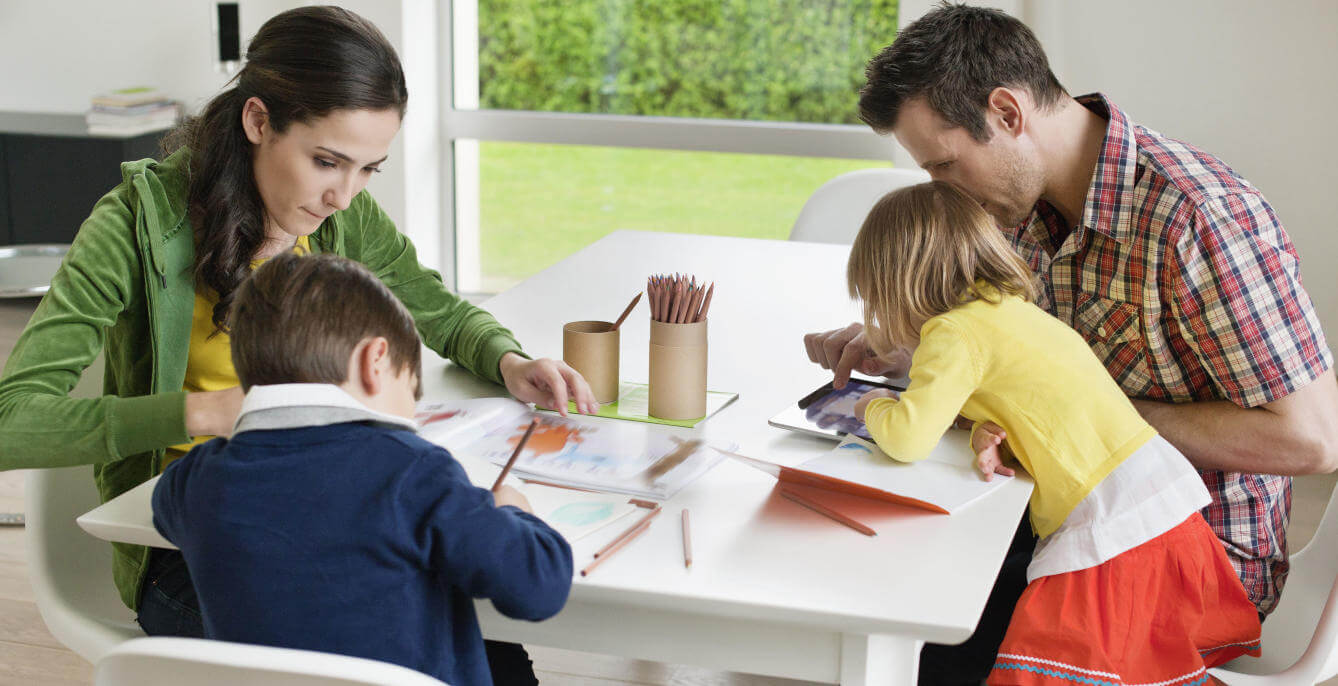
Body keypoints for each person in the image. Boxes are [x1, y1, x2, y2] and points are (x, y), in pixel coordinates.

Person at [0, 6, 593, 682]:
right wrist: (202, 413)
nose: (344, 194)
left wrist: (508, 359)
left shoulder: (338, 212)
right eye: (327, 161)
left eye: (370, 168)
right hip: (199, 548)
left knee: (489, 650)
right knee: (443, 636)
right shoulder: (134, 227)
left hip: (335, 497)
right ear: (258, 121)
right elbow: (9, 424)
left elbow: (431, 306)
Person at [804, 5, 1338, 682]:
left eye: (945, 165)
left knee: (925, 631)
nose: (944, 192)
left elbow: (1314, 439)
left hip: (1178, 552)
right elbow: (1006, 346)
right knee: (872, 568)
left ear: (1006, 113)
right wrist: (910, 344)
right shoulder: (1018, 208)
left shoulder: (1198, 219)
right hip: (1057, 512)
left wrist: (1086, 414)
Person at [848, 181, 1260, 684]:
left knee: (1051, 667)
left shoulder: (951, 333)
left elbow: (907, 439)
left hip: (1107, 521)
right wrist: (984, 429)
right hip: (1148, 489)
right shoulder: (1007, 309)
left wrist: (872, 406)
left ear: (895, 284)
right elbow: (1023, 396)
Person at [153, 252, 573, 686]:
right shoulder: (414, 474)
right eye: (411, 389)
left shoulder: (198, 480)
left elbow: (165, 507)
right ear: (376, 361)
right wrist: (514, 511)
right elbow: (539, 588)